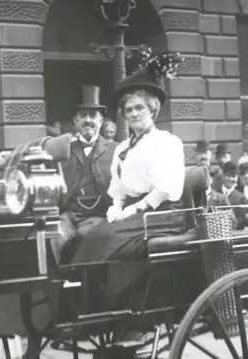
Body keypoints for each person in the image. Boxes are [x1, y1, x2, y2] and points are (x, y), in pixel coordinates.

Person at [67, 52, 186, 308]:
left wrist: (131, 210)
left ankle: (112, 306)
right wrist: (116, 208)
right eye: (128, 109)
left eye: (139, 107)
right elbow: (118, 188)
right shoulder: (122, 148)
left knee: (102, 239)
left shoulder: (166, 142)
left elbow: (164, 190)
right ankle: (90, 306)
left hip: (161, 214)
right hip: (133, 213)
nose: (133, 114)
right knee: (90, 236)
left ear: (152, 109)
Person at [55, 85, 117, 264]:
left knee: (84, 238)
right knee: (54, 236)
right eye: (83, 116)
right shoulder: (63, 150)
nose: (88, 120)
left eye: (93, 116)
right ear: (75, 122)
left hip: (98, 216)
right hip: (68, 214)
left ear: (101, 121)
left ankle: (82, 284)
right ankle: (60, 283)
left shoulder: (115, 150)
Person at [220, 161, 247, 228]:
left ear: (237, 178)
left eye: (234, 176)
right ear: (223, 176)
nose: (231, 179)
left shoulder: (241, 198)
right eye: (228, 176)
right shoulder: (215, 194)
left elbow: (242, 219)